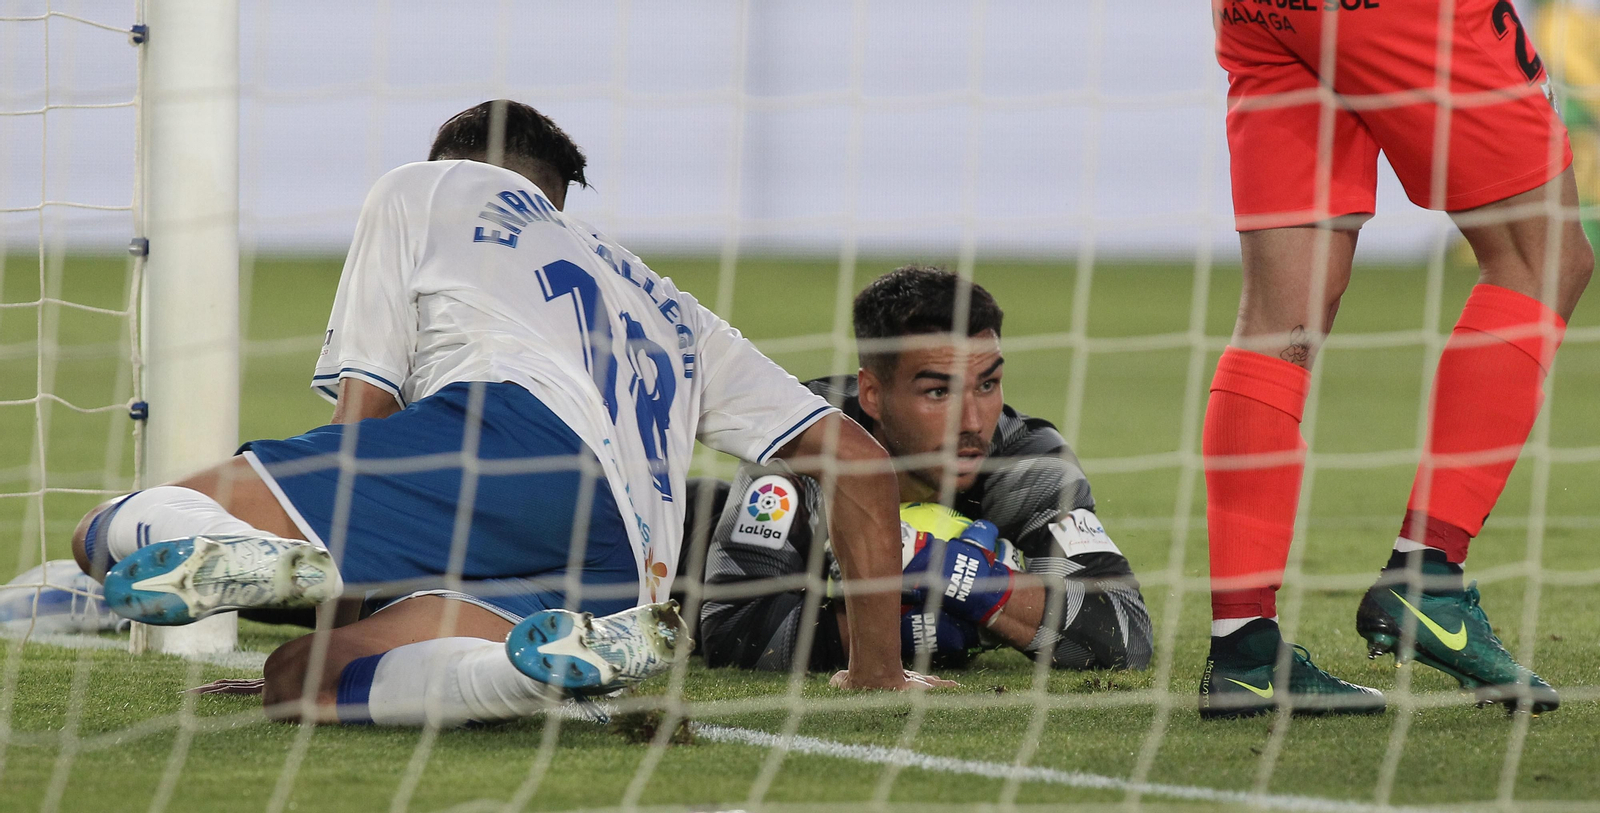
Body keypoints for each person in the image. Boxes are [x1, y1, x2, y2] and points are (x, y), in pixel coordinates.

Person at [72, 100, 947, 727]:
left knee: (103, 531)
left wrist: (317, 557)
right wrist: (877, 672)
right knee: (299, 679)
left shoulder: (427, 189)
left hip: (505, 439)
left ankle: (250, 552)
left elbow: (364, 412)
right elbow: (860, 463)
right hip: (619, 572)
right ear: (556, 200)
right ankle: (521, 672)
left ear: (453, 161)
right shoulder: (677, 313)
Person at [1203, 2, 1594, 717]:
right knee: (1542, 260)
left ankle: (1244, 648)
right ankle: (1428, 574)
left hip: (1261, 14)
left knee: (1277, 322)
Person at [699, 266, 1153, 674]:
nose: (973, 423)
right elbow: (732, 629)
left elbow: (1124, 635)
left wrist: (945, 571)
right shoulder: (803, 441)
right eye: (939, 392)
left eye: (987, 384)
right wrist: (948, 625)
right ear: (873, 394)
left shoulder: (1026, 463)